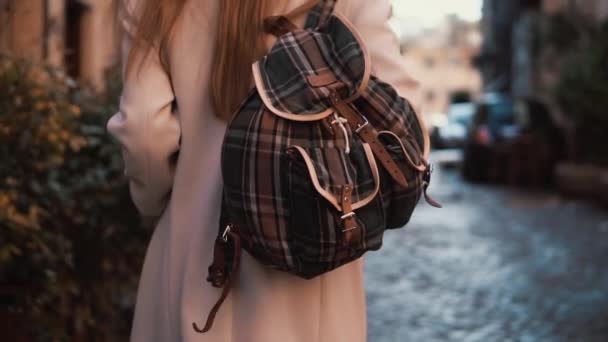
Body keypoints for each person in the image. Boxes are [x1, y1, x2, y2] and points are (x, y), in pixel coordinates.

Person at [106, 0, 420, 341]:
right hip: (312, 274)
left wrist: (157, 204)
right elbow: (405, 130)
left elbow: (144, 132)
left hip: (192, 265)